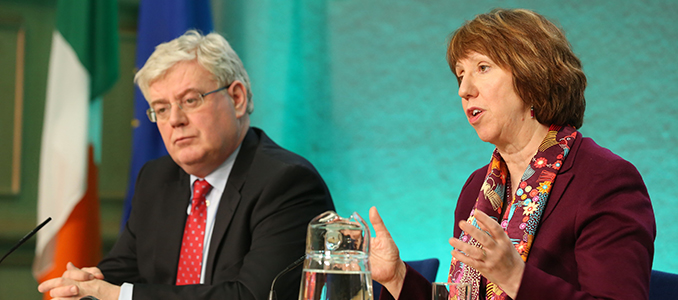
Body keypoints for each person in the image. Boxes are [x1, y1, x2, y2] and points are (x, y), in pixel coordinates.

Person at [368, 8, 655, 300]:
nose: (464, 90)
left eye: (482, 68)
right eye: (460, 75)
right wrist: (397, 277)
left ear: (531, 76)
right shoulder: (477, 188)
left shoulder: (604, 180)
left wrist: (515, 277)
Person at [38, 30, 335, 300]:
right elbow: (122, 271)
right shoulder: (157, 178)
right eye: (161, 109)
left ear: (237, 98)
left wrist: (122, 297)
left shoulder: (287, 183)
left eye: (190, 100)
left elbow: (253, 295)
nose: (175, 120)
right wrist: (87, 285)